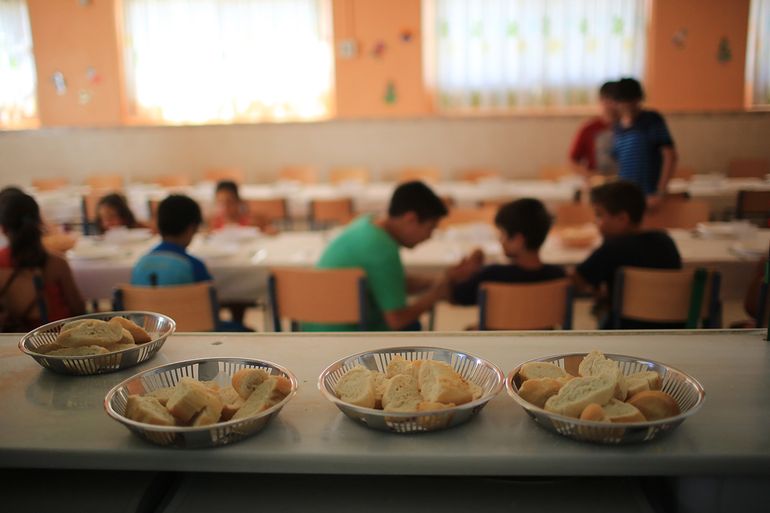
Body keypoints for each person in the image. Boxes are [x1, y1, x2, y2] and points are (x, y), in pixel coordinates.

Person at [303, 181, 452, 331]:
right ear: (410, 219)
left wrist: (435, 281)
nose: (430, 236)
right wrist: (436, 295)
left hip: (313, 327)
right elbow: (397, 320)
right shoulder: (383, 249)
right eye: (430, 228)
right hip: (346, 336)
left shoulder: (366, 223)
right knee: (413, 327)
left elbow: (389, 282)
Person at [573, 181, 682, 329]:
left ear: (622, 218)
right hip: (672, 329)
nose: (596, 222)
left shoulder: (611, 249)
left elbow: (576, 282)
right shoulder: (666, 241)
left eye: (599, 215)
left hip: (624, 331)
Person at [450, 199, 566, 306]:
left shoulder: (492, 275)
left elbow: (458, 295)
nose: (500, 241)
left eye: (502, 234)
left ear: (518, 240)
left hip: (499, 329)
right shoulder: (558, 276)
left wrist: (467, 272)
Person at [0, 192, 85, 329]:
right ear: (39, 222)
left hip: (13, 339)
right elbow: (78, 309)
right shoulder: (57, 263)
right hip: (56, 337)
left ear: (3, 228)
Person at [612, 78, 677, 208]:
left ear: (639, 100)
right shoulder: (617, 128)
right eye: (623, 101)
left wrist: (660, 192)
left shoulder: (652, 120)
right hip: (626, 195)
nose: (627, 105)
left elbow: (669, 155)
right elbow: (618, 163)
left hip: (650, 193)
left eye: (631, 101)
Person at [131, 195, 211, 286]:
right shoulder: (194, 266)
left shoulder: (140, 265)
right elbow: (209, 298)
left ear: (158, 227)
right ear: (191, 228)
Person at [569, 81, 620, 179]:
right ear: (601, 100)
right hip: (598, 182)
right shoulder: (589, 129)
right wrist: (590, 176)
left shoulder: (628, 128)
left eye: (617, 100)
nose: (613, 105)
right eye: (609, 100)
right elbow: (573, 161)